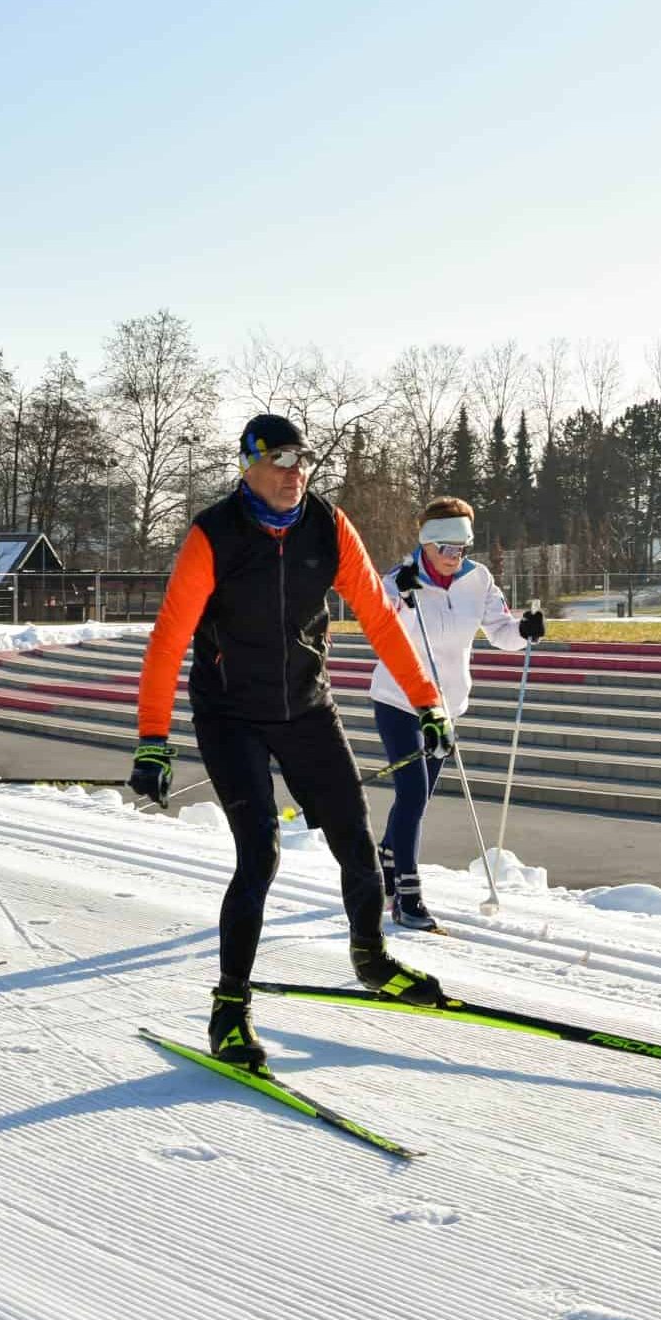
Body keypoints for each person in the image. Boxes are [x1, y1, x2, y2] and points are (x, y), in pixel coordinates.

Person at [129, 414, 459, 1069]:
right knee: (261, 855)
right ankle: (229, 1009)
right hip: (231, 715)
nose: (293, 473)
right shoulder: (213, 534)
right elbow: (170, 639)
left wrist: (427, 702)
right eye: (279, 460)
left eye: (301, 460)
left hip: (306, 706)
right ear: (248, 464)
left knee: (356, 841)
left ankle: (371, 957)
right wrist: (153, 740)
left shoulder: (328, 527)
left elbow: (379, 617)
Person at [370, 496, 545, 931]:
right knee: (412, 792)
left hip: (447, 706)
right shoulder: (398, 581)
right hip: (400, 701)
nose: (454, 558)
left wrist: (523, 630)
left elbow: (501, 631)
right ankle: (407, 896)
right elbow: (379, 626)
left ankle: (387, 857)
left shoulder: (478, 579)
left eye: (462, 549)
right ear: (427, 545)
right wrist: (401, 598)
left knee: (421, 793)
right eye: (446, 549)